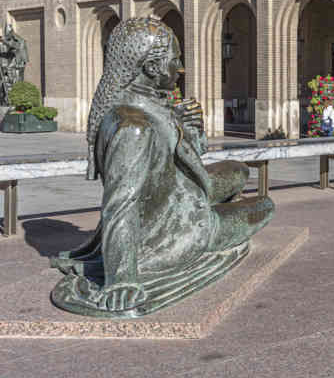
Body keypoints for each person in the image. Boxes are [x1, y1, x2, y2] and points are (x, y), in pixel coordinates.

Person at [50, 17, 275, 317]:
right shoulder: (133, 127)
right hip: (173, 232)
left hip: (183, 194)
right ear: (152, 67)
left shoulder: (149, 104)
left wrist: (192, 128)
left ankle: (216, 201)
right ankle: (213, 221)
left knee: (239, 170)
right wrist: (122, 280)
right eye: (176, 60)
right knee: (265, 205)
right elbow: (120, 206)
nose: (180, 69)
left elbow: (182, 157)